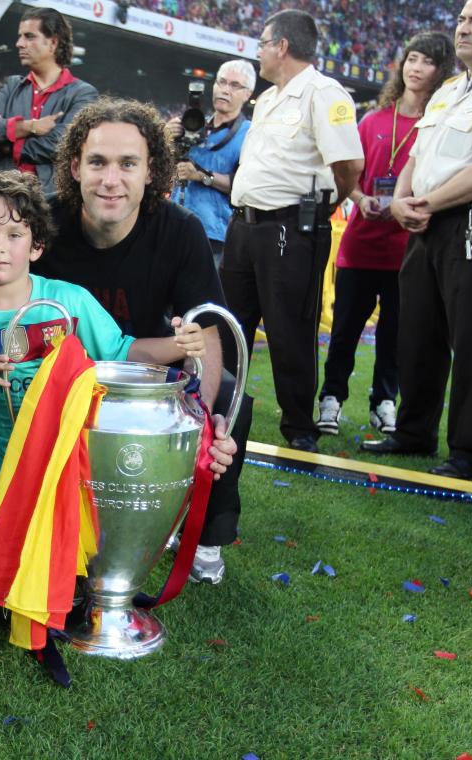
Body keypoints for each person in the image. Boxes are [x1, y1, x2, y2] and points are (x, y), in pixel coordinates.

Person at [0, 170, 220, 579]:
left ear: (36, 247)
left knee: (70, 552)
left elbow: (123, 351)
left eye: (14, 236)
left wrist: (179, 346)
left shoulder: (68, 300)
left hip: (58, 452)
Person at [34, 97, 250, 584]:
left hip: (146, 372)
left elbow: (207, 333)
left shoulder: (180, 232)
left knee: (234, 397)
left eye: (127, 164)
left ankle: (205, 535)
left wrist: (202, 419)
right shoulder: (44, 225)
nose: (111, 180)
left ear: (152, 171)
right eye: (97, 163)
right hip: (59, 375)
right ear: (74, 167)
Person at [362, 0, 472, 481]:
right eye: (460, 19)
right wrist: (402, 201)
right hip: (424, 223)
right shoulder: (450, 89)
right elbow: (417, 152)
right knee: (418, 334)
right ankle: (413, 433)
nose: (463, 29)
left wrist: (424, 204)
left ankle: (471, 454)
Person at [222, 9, 364, 453]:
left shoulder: (324, 93)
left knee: (289, 330)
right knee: (229, 325)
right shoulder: (266, 99)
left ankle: (299, 427)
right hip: (244, 226)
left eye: (263, 43)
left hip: (290, 227)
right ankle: (218, 409)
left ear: (282, 46)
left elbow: (350, 165)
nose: (259, 51)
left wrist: (323, 209)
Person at [317, 33, 456, 438]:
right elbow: (349, 175)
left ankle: (384, 402)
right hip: (360, 246)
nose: (416, 68)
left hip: (408, 251)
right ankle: (331, 398)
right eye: (411, 58)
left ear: (440, 70)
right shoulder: (373, 120)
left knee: (396, 335)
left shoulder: (439, 126)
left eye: (426, 61)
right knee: (344, 331)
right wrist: (360, 199)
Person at [0, 7, 98, 194]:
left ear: (53, 43)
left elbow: (64, 144)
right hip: (7, 198)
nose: (19, 43)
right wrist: (27, 127)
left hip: (54, 203)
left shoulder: (83, 93)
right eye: (20, 36)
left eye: (29, 36)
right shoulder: (13, 85)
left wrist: (9, 144)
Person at [164, 60, 255, 268]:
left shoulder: (250, 134)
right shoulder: (193, 124)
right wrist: (165, 139)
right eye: (221, 82)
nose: (225, 90)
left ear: (247, 94)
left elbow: (244, 185)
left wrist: (202, 176)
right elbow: (164, 169)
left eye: (234, 85)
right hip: (176, 225)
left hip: (216, 236)